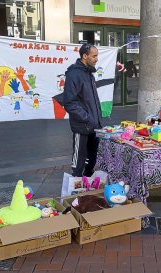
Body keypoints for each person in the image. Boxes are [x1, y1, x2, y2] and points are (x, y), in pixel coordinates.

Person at [62, 43, 102, 177]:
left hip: (93, 126)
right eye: (94, 56)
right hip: (82, 126)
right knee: (79, 160)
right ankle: (75, 188)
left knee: (92, 158)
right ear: (85, 56)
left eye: (97, 56)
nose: (96, 59)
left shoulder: (89, 73)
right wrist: (86, 117)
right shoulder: (74, 74)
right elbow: (69, 102)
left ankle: (87, 186)